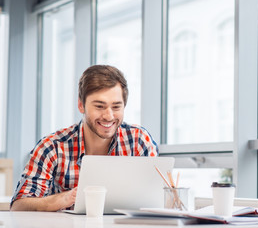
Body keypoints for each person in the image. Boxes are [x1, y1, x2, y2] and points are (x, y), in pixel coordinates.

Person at [10, 65, 158, 211]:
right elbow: (19, 206)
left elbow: (157, 199)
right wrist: (63, 199)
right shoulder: (52, 147)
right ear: (81, 105)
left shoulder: (139, 142)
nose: (109, 116)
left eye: (116, 107)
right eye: (99, 106)